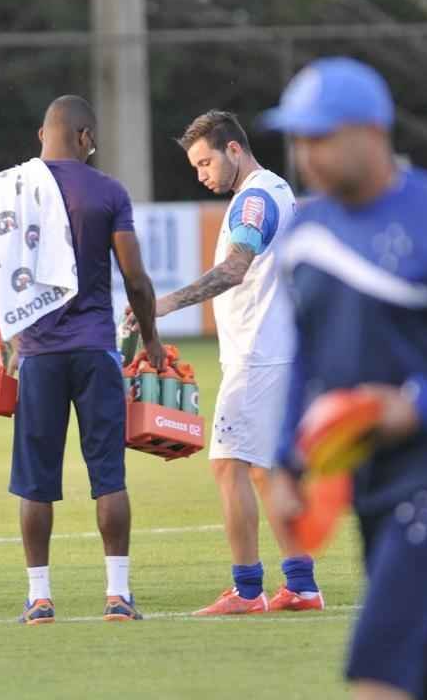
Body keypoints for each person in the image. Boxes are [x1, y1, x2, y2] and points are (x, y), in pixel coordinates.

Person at [264, 57, 427, 700]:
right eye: (297, 139)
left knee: (381, 650)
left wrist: (419, 404)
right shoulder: (303, 236)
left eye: (319, 136)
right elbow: (307, 359)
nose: (305, 154)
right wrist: (284, 461)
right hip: (369, 476)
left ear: (370, 132)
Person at [0, 95, 165, 624]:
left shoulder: (10, 189)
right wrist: (150, 340)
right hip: (96, 350)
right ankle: (118, 596)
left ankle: (39, 599)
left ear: (42, 135)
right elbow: (137, 280)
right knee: (109, 476)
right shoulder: (107, 191)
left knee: (35, 480)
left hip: (38, 353)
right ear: (84, 137)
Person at [125, 110, 322, 615]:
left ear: (234, 150)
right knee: (263, 472)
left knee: (227, 465)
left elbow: (235, 270)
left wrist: (162, 304)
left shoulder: (254, 199)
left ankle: (248, 590)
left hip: (260, 354)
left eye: (205, 162)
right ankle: (300, 585)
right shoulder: (271, 192)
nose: (201, 174)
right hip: (273, 351)